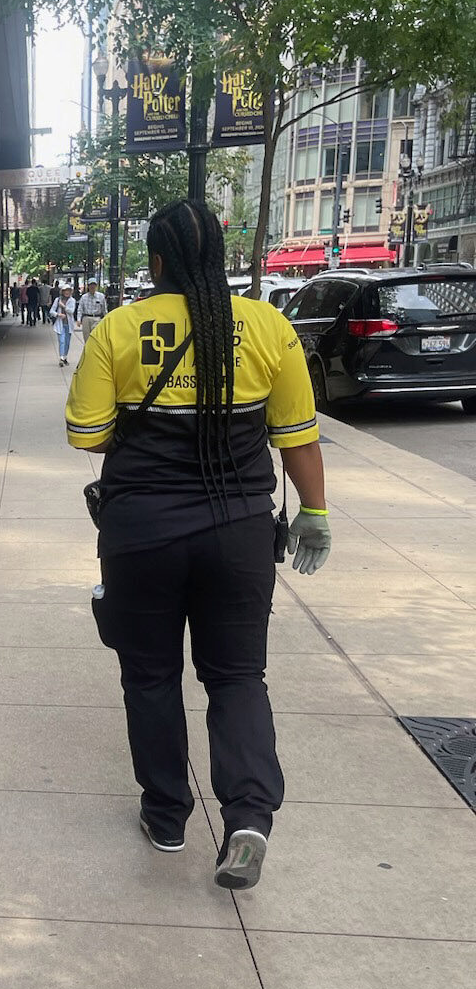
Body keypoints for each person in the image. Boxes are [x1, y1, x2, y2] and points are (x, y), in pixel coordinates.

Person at [64, 199, 330, 890]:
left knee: (150, 676)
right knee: (237, 676)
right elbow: (297, 437)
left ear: (156, 262)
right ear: (218, 255)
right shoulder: (269, 327)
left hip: (141, 536)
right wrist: (315, 512)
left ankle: (167, 817)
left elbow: (86, 434)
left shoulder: (119, 329)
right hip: (240, 535)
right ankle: (248, 816)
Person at [49, 283, 76, 366]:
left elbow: (71, 311)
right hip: (60, 324)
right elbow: (51, 311)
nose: (67, 292)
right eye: (65, 290)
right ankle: (61, 358)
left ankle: (65, 357)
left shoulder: (72, 300)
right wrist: (58, 315)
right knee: (61, 341)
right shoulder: (57, 300)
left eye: (68, 290)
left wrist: (63, 306)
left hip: (69, 324)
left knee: (67, 342)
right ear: (62, 292)